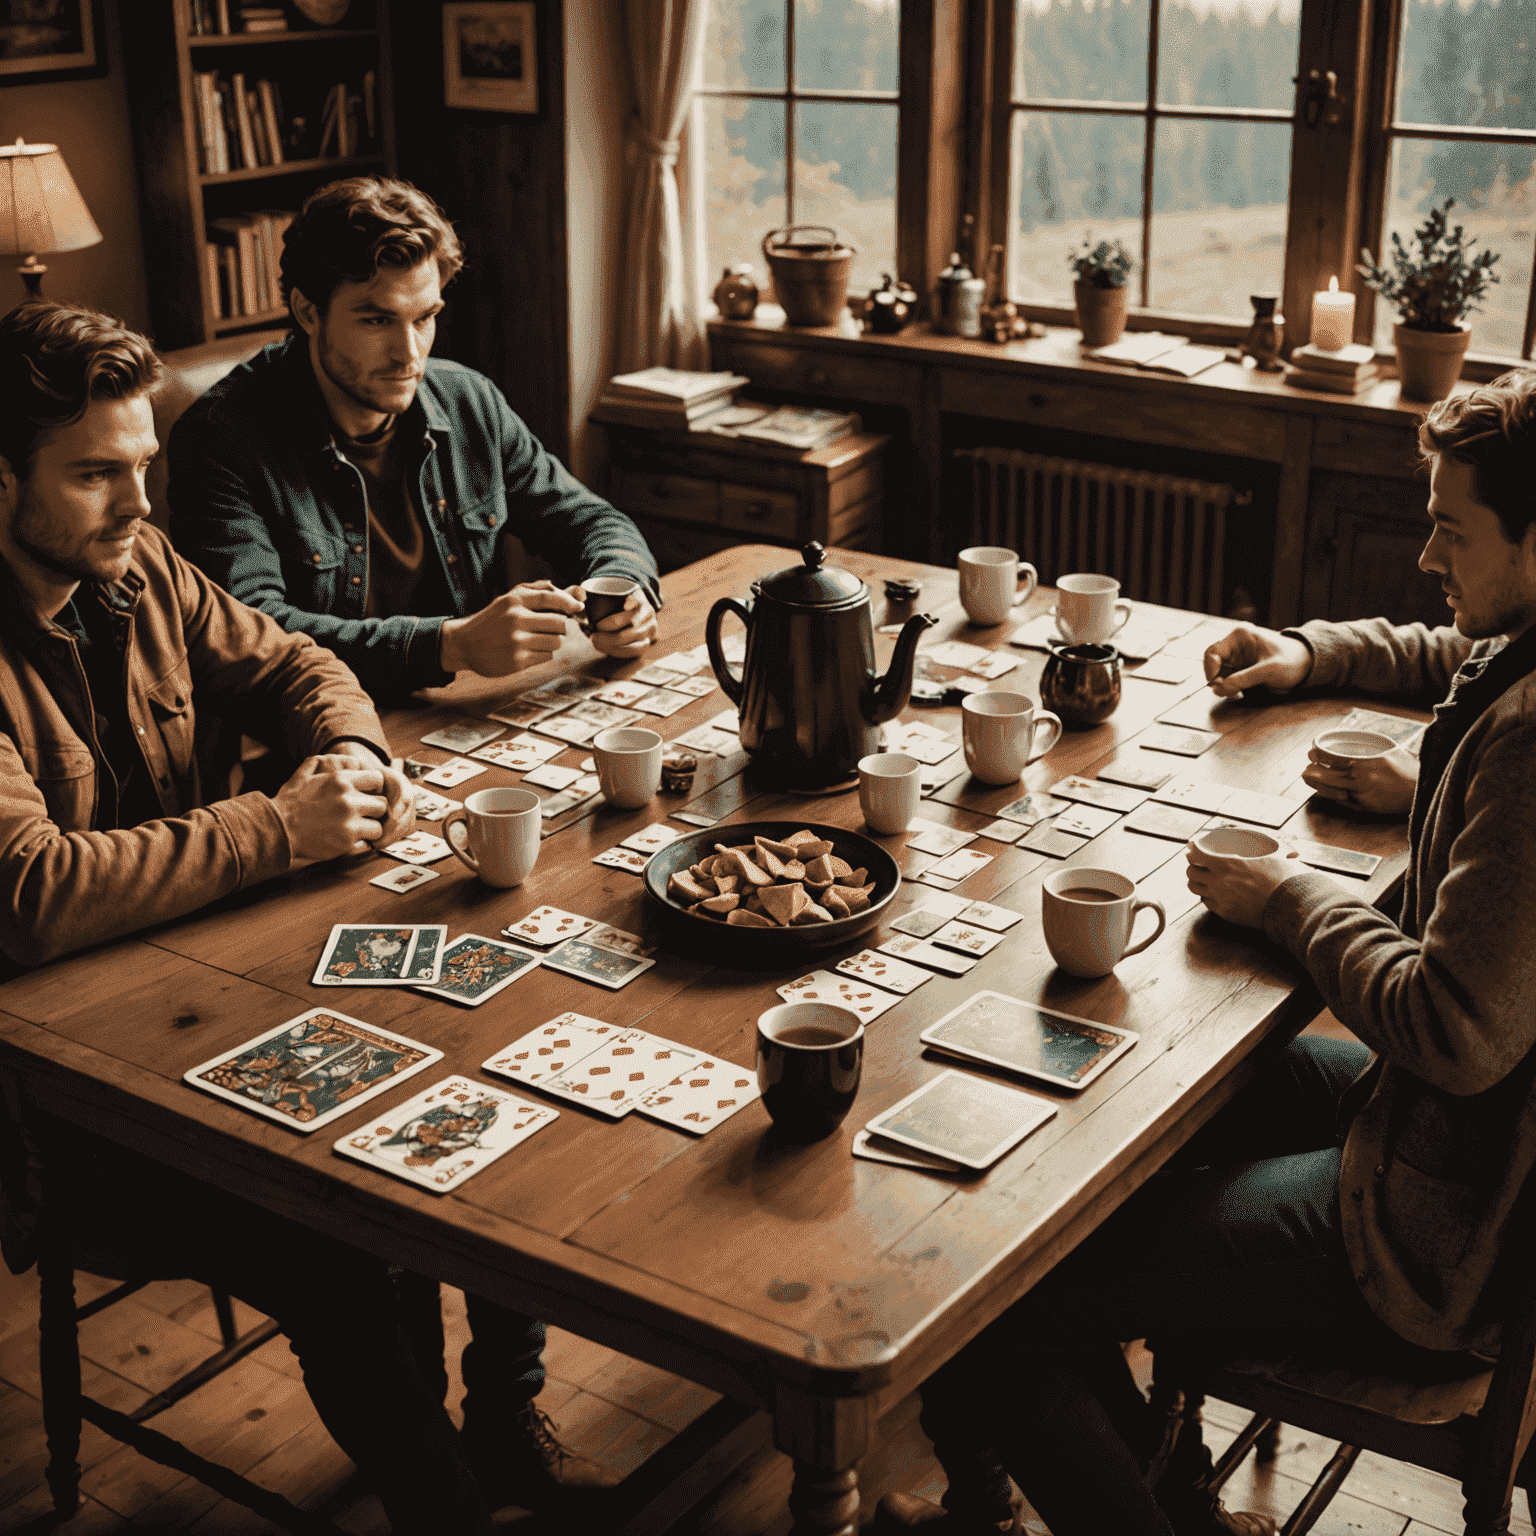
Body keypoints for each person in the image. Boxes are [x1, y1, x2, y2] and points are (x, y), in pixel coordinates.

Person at [878, 369, 1536, 1536]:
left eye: (1450, 530)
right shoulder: (1523, 653)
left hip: (1447, 1239)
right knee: (1143, 1095)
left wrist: (1289, 898)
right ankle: (1174, 1501)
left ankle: (1131, 1499)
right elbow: (1458, 657)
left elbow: (1458, 1030)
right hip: (1445, 1147)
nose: (1428, 559)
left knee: (991, 1305)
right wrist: (1309, 650)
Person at [0, 299, 533, 1535]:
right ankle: (446, 1503)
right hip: (64, 1119)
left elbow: (300, 666)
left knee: (461, 1104)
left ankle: (473, 1438)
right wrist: (276, 831)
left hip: (211, 1005)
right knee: (340, 1227)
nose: (139, 505)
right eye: (95, 476)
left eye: (144, 467)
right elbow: (27, 896)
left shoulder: (142, 563)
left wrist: (352, 759)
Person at [168, 175, 660, 704]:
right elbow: (254, 636)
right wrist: (449, 647)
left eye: (424, 317)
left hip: (460, 712)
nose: (410, 355)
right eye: (378, 320)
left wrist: (624, 585)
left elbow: (590, 520)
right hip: (311, 737)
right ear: (309, 312)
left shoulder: (467, 400)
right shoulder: (219, 440)